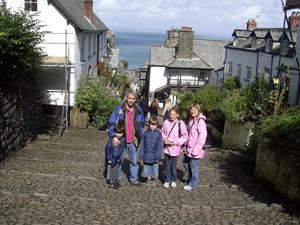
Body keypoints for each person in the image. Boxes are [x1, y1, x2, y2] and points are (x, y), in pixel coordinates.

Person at [108, 90, 145, 186]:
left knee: (134, 161)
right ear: (126, 98)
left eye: (133, 99)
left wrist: (138, 134)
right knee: (119, 160)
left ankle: (133, 179)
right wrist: (113, 137)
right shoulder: (119, 109)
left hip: (133, 140)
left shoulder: (138, 110)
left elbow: (142, 124)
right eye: (129, 98)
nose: (131, 100)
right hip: (121, 139)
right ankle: (116, 178)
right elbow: (112, 124)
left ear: (135, 99)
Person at [161, 107, 188, 188]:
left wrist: (176, 142)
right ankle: (167, 180)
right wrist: (164, 138)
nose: (172, 116)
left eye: (173, 115)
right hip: (167, 148)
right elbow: (162, 131)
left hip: (175, 148)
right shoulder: (166, 122)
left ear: (177, 115)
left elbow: (185, 136)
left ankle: (173, 180)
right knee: (167, 166)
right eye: (170, 114)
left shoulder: (181, 124)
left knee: (173, 166)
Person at [182, 103, 207, 191]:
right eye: (191, 110)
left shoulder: (201, 122)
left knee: (193, 167)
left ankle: (193, 184)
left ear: (198, 111)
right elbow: (188, 134)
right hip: (189, 147)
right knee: (185, 163)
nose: (193, 111)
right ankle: (189, 180)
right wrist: (184, 145)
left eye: (195, 110)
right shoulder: (191, 120)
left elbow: (202, 137)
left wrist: (196, 150)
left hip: (196, 149)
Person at [138, 116, 162, 187]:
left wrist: (158, 156)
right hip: (147, 154)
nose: (152, 126)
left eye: (154, 125)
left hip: (155, 155)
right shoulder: (146, 134)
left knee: (154, 169)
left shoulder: (158, 134)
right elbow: (142, 145)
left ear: (157, 125)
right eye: (151, 124)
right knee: (147, 168)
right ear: (149, 124)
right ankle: (148, 180)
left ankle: (153, 180)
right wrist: (141, 154)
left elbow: (159, 146)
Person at [105, 124, 126, 189]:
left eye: (120, 133)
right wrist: (108, 158)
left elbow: (122, 150)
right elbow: (107, 149)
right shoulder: (111, 141)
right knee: (111, 170)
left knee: (116, 170)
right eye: (117, 133)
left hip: (117, 158)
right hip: (111, 158)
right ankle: (111, 182)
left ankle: (115, 181)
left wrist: (121, 158)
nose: (119, 135)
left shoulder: (123, 140)